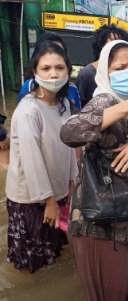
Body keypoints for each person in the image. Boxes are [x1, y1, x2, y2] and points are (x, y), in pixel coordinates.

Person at [60, 40, 128, 300]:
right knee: (115, 293)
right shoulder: (104, 101)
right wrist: (123, 108)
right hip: (99, 221)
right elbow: (69, 132)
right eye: (120, 67)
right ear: (105, 72)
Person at [6, 42, 78, 273]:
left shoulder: (64, 104)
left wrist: (71, 181)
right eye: (46, 68)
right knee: (31, 263)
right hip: (30, 198)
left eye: (59, 67)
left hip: (56, 193)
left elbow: (68, 146)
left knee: (55, 254)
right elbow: (31, 160)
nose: (53, 74)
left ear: (68, 70)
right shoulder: (28, 110)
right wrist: (49, 200)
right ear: (34, 73)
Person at [75, 24, 128, 107]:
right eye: (112, 42)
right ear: (101, 45)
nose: (117, 47)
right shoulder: (86, 74)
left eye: (121, 43)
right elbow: (79, 106)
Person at [18, 31, 81, 111]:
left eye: (58, 51)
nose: (54, 74)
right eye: (46, 68)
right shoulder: (29, 89)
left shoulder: (72, 89)